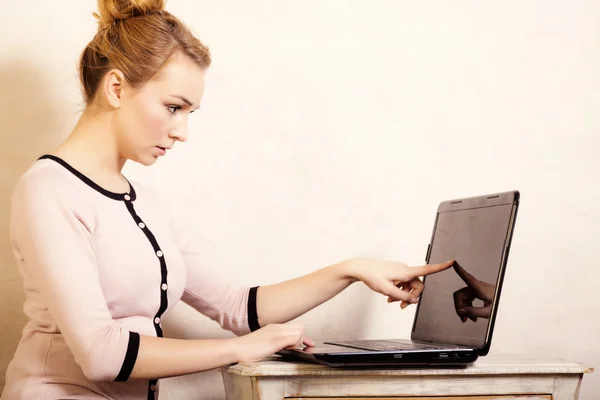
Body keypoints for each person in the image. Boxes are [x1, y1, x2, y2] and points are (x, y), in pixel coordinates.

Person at [0, 0, 454, 398]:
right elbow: (100, 354)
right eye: (173, 107)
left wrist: (353, 269)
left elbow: (239, 307)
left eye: (190, 113)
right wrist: (241, 351)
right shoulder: (48, 190)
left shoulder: (146, 202)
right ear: (116, 88)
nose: (182, 132)